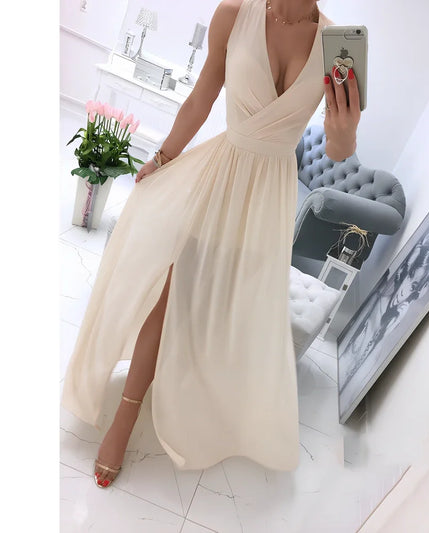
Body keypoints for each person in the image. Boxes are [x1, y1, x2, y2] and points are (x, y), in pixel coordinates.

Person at [61, 0, 361, 488]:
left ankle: (191, 394)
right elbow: (202, 96)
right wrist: (163, 157)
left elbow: (339, 149)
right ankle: (124, 419)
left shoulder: (336, 43)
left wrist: (345, 131)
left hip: (267, 197)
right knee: (169, 293)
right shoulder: (235, 13)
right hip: (220, 172)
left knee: (221, 304)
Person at [338, 218, 429, 395]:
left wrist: (388, 327)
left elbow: (372, 356)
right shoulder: (380, 299)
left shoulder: (397, 315)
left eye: (414, 286)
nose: (404, 292)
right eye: (409, 275)